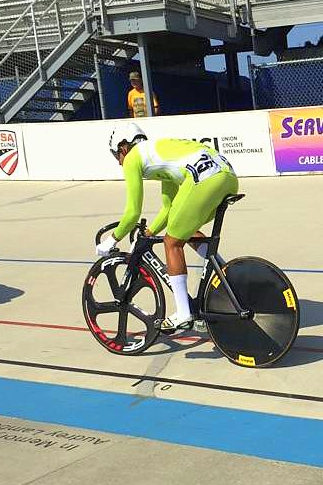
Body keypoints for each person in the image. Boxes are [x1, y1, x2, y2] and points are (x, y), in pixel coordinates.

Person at [96, 123, 238, 333]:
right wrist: (149, 232)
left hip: (205, 179)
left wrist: (111, 240)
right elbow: (169, 208)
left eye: (117, 155)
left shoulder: (133, 158)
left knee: (171, 242)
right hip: (227, 177)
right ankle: (230, 278)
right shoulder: (158, 154)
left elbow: (133, 212)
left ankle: (183, 313)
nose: (119, 162)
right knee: (183, 229)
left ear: (124, 147)